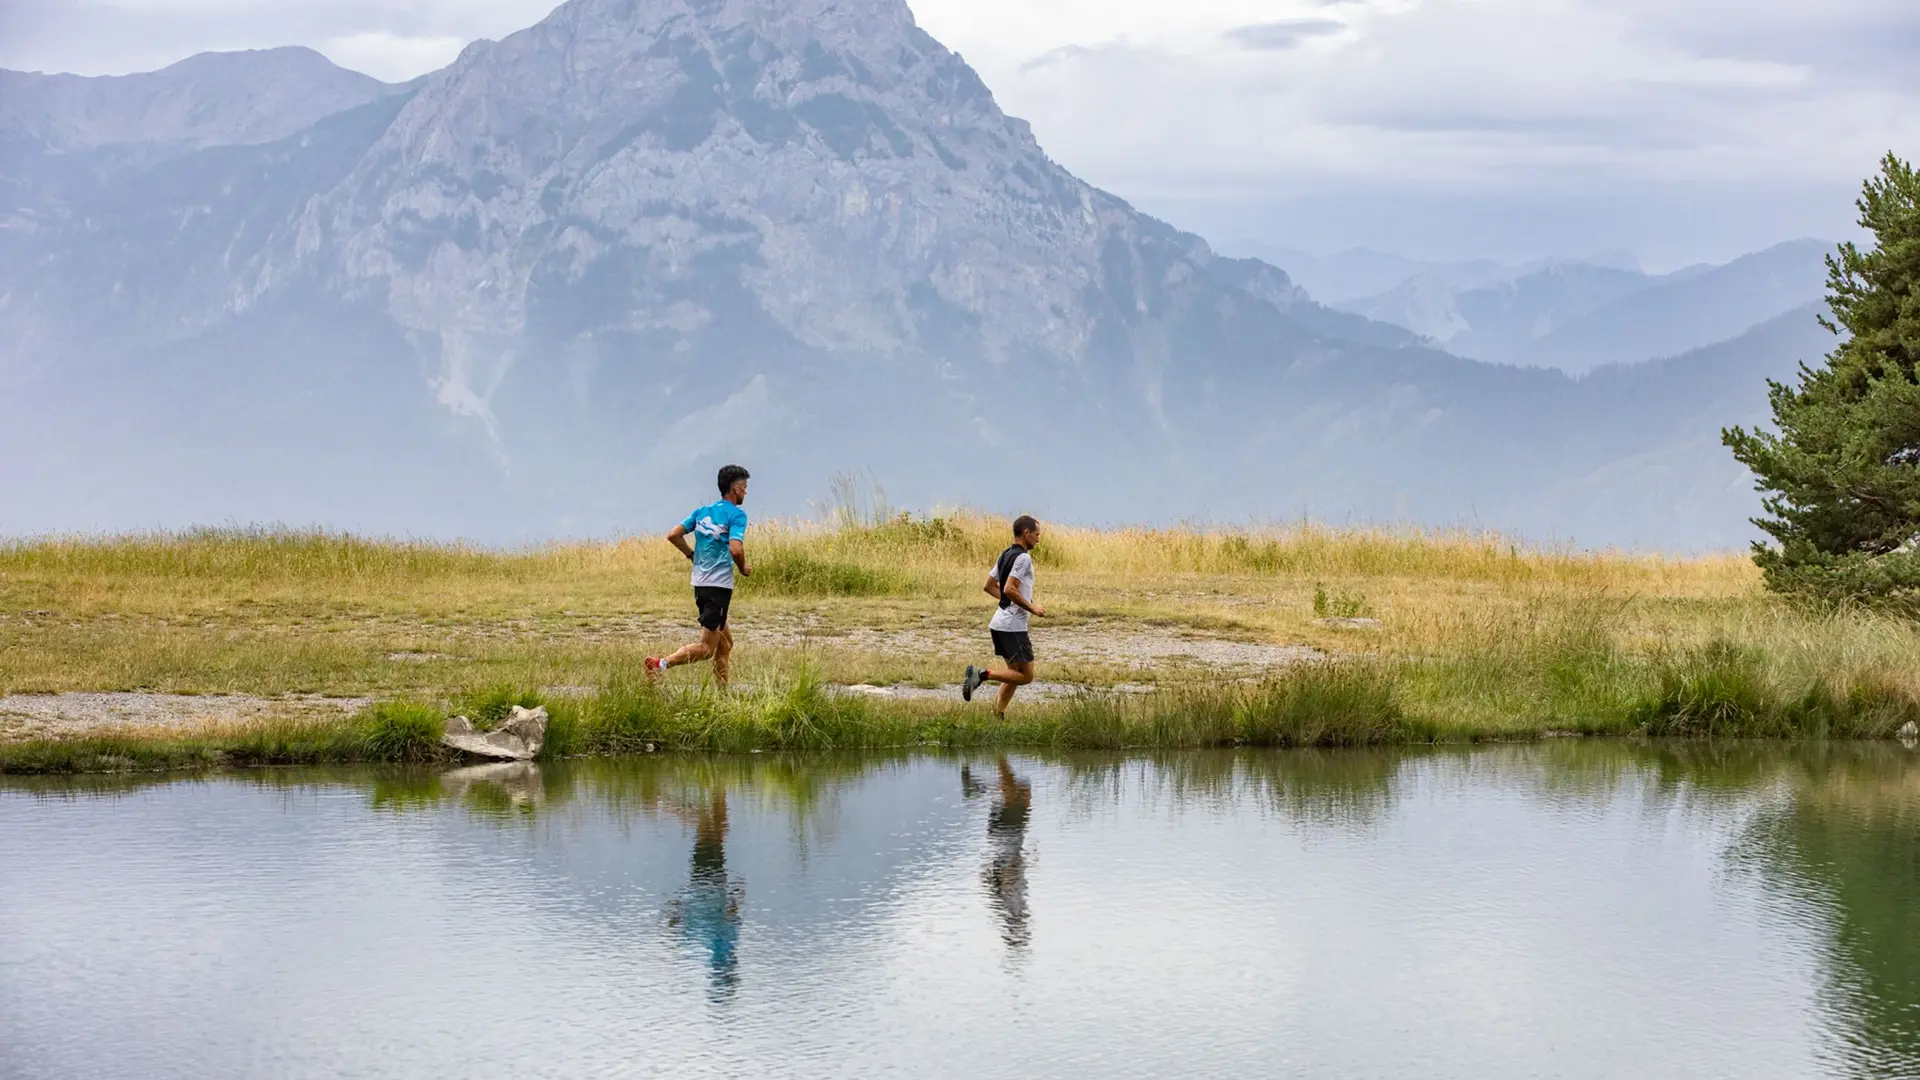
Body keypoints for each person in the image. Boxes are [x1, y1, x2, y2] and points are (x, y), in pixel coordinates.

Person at [647, 465, 751, 684]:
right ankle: (660, 664)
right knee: (706, 648)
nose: (746, 492)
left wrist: (691, 555)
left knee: (725, 644)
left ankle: (723, 695)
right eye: (745, 487)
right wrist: (743, 568)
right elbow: (735, 549)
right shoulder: (737, 515)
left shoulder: (702, 512)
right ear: (736, 489)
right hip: (718, 587)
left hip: (701, 583)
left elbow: (674, 535)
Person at [961, 515, 1046, 716]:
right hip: (1012, 627)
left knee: (1012, 674)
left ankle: (997, 714)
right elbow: (1009, 588)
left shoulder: (1005, 554)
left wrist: (1009, 602)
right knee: (1025, 676)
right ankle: (981, 674)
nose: (1038, 539)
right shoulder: (1023, 558)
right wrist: (1031, 607)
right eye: (1036, 534)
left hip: (999, 624)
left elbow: (989, 586)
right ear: (1026, 533)